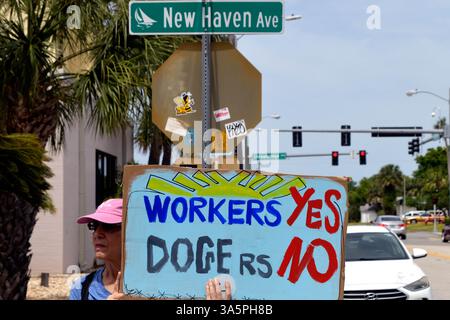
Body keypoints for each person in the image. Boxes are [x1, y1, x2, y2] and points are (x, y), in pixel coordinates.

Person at [69, 198, 231, 300]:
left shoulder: (165, 288)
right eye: (94, 225)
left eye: (109, 226)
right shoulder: (82, 288)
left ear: (132, 231)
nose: (98, 233)